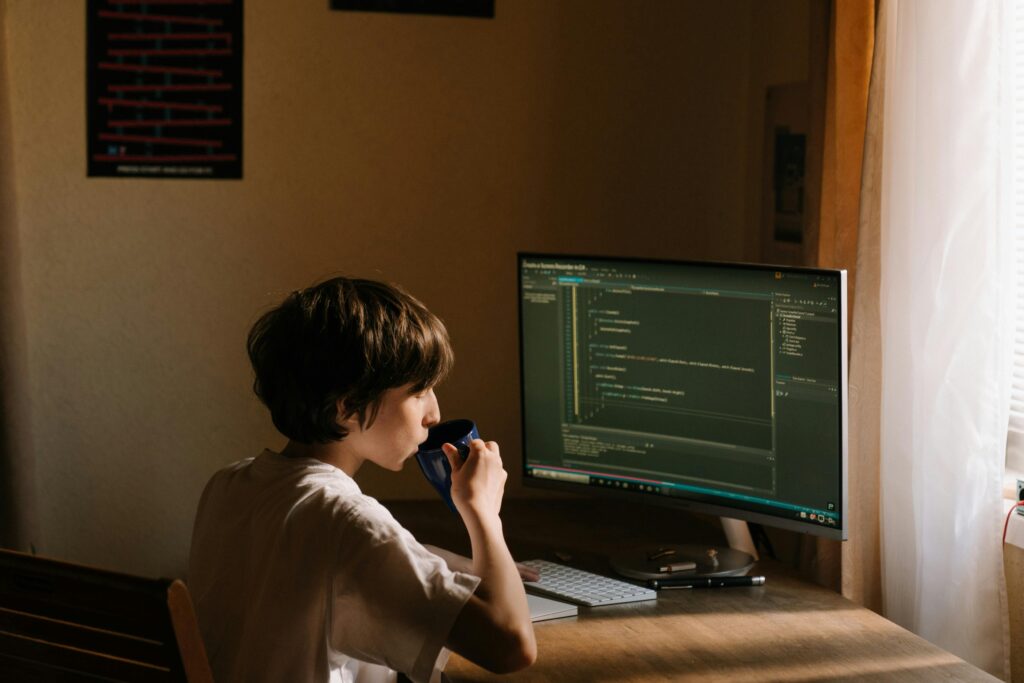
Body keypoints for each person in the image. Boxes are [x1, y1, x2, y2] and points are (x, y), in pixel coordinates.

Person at [188, 277, 537, 683]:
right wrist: (484, 514)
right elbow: (512, 646)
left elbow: (311, 558)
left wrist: (429, 558)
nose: (435, 414)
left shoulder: (228, 485)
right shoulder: (349, 523)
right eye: (419, 390)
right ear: (349, 408)